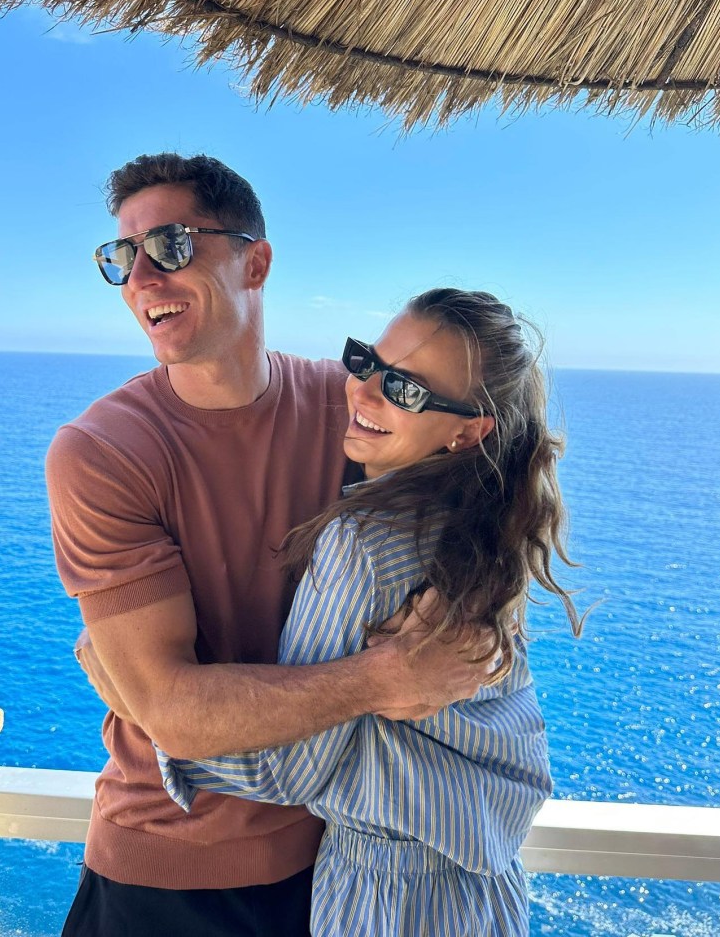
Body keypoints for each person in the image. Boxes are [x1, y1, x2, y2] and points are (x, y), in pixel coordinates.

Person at [46, 153, 498, 936]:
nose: (142, 278)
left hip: (339, 871)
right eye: (120, 257)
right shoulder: (103, 451)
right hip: (166, 875)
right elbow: (173, 715)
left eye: (173, 245)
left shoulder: (358, 410)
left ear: (254, 259)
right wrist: (381, 677)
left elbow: (492, 469)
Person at [158, 288, 583, 936]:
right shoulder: (488, 532)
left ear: (469, 429)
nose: (363, 393)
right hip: (490, 894)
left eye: (406, 391)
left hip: (385, 899)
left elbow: (289, 766)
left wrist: (154, 713)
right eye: (366, 362)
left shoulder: (363, 542)